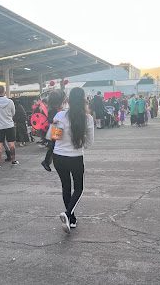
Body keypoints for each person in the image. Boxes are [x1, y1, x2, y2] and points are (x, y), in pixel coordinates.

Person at [52, 87, 94, 233]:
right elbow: (89, 143)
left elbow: (54, 137)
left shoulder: (59, 115)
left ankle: (72, 219)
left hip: (58, 157)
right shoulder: (87, 118)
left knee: (66, 186)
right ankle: (68, 214)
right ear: (84, 100)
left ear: (68, 100)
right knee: (79, 188)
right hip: (75, 158)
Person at [0, 86, 18, 168]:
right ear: (4, 92)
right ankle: (13, 161)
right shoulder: (10, 102)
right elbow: (13, 113)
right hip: (9, 125)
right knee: (11, 144)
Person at [41, 90, 65, 172]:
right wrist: (55, 120)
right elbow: (50, 119)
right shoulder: (53, 109)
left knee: (54, 146)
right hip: (55, 128)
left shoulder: (52, 107)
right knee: (53, 146)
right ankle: (47, 161)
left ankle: (47, 161)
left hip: (56, 128)